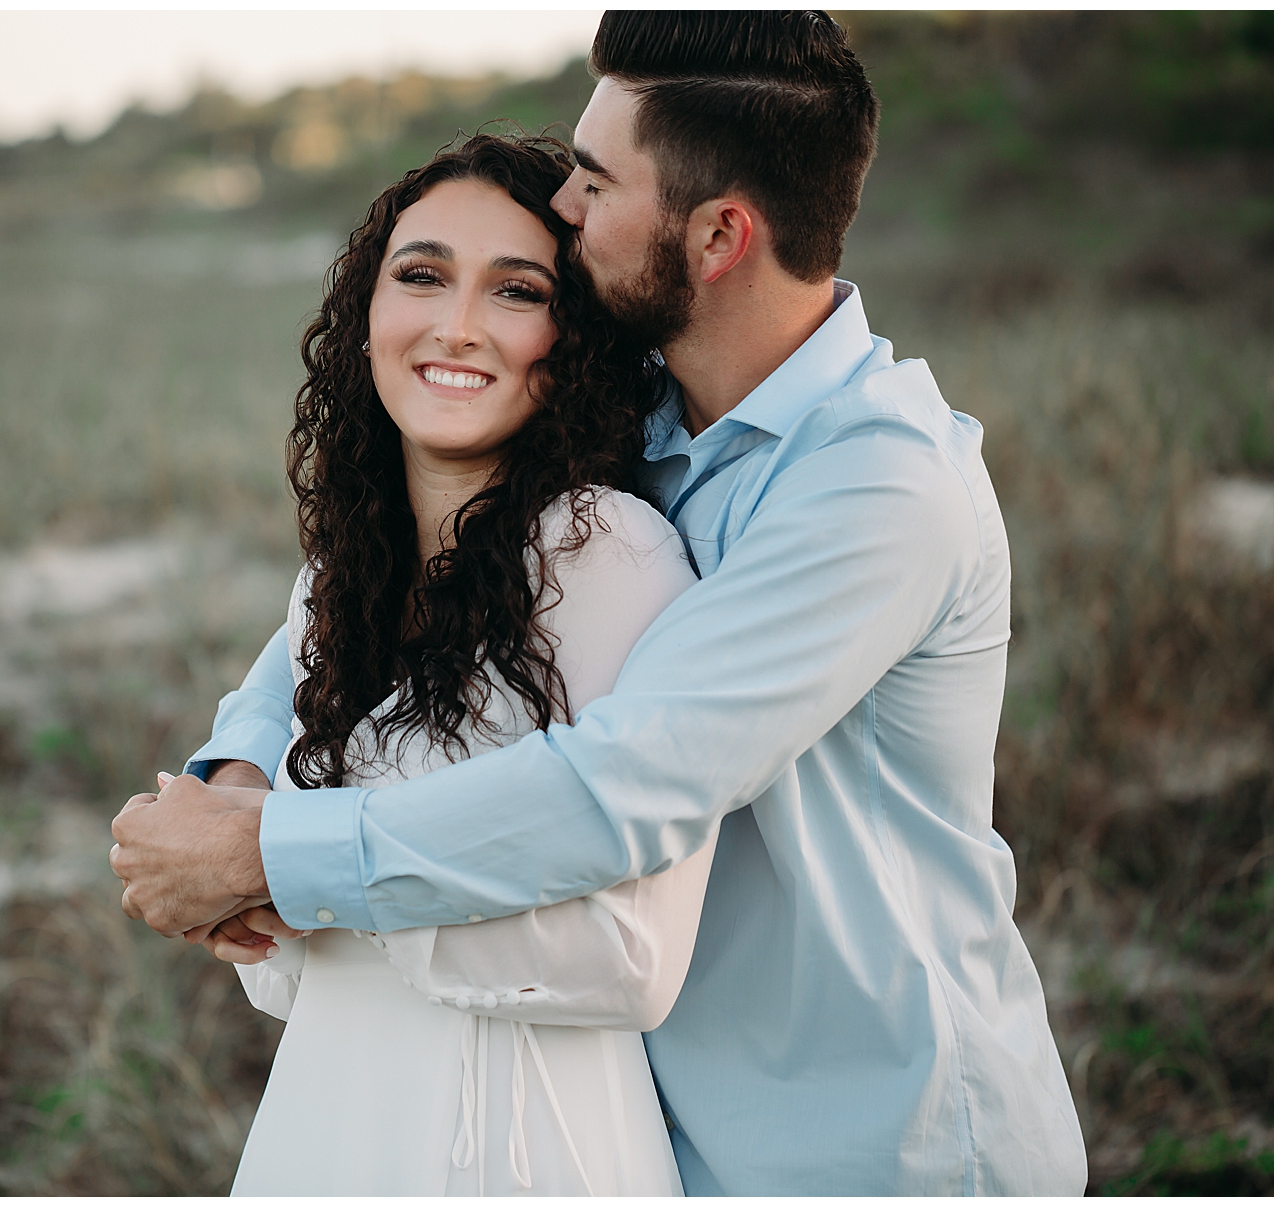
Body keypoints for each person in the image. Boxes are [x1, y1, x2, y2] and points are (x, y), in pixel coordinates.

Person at [111, 11, 1089, 1196]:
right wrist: (243, 769)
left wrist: (272, 855)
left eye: (595, 180)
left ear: (720, 234)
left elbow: (621, 787)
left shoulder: (878, 486)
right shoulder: (644, 403)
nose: (565, 208)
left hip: (881, 1140)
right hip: (667, 1124)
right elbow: (373, 591)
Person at [200, 130, 713, 1195]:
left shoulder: (604, 554)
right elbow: (291, 970)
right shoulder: (340, 576)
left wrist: (287, 869)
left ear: (573, 338)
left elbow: (631, 956)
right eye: (421, 274)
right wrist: (238, 885)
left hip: (521, 1148)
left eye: (517, 291)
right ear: (366, 311)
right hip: (329, 1122)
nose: (458, 325)